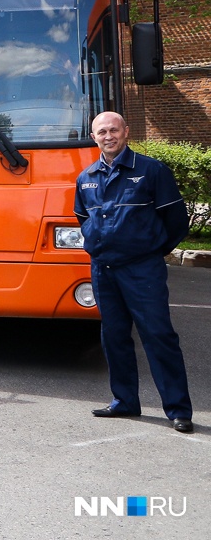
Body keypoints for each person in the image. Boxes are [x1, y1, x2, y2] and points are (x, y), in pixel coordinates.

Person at [74, 111, 193, 434]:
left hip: (142, 269)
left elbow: (176, 222)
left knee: (158, 336)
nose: (108, 136)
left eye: (114, 129)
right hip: (103, 269)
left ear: (126, 132)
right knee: (113, 337)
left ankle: (178, 409)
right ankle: (125, 401)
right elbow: (82, 218)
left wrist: (151, 250)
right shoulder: (86, 177)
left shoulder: (151, 170)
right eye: (102, 131)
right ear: (93, 136)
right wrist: (98, 246)